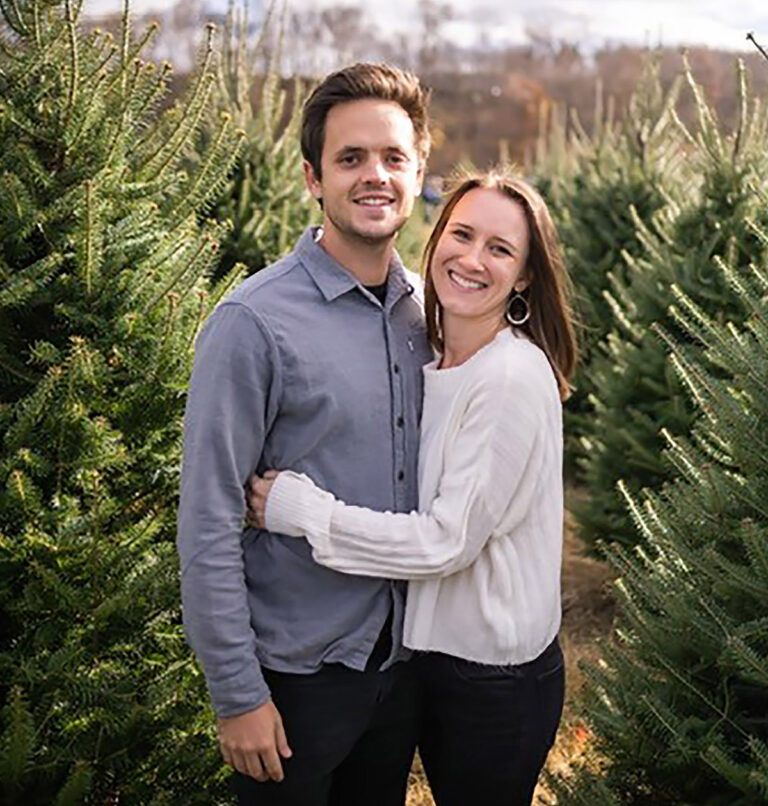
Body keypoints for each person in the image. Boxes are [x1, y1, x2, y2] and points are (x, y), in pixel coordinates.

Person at [247, 168, 578, 806]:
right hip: (429, 664)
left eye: (500, 249)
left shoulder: (508, 378)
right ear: (435, 236)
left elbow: (444, 543)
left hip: (494, 684)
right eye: (462, 234)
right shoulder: (433, 351)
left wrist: (305, 511)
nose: (472, 259)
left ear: (526, 276)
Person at [176, 63, 434, 806]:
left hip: (398, 672)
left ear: (419, 172)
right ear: (313, 178)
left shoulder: (429, 313)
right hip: (292, 687)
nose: (374, 176)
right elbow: (208, 519)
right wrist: (236, 694)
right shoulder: (253, 321)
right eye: (350, 159)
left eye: (393, 158)